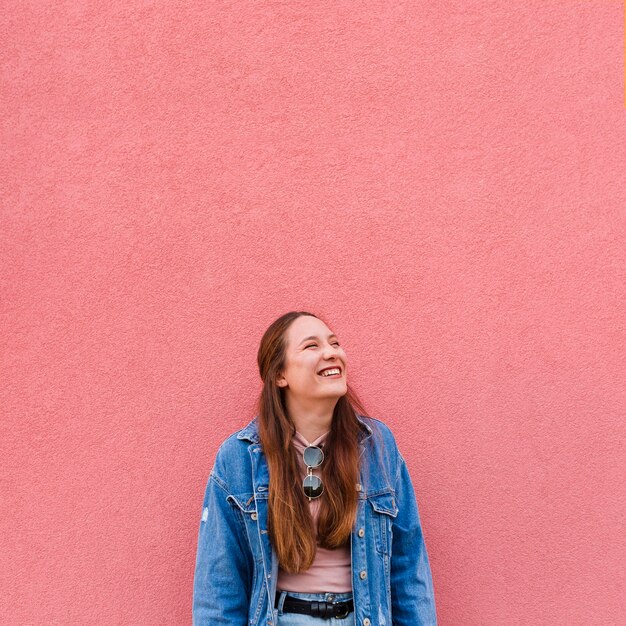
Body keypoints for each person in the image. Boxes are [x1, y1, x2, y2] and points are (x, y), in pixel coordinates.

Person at [192, 311, 437, 625]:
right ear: (280, 375)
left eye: (334, 343)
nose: (331, 352)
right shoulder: (239, 458)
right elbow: (219, 587)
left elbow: (408, 569)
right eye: (311, 346)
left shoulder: (377, 446)